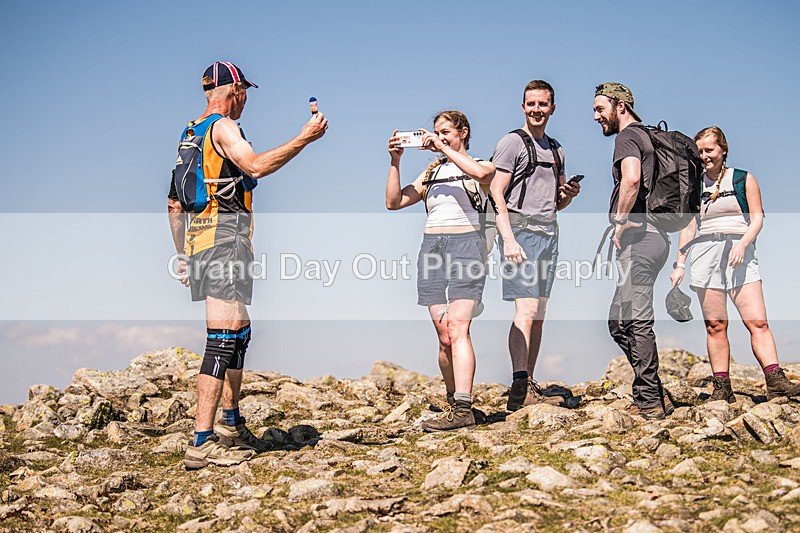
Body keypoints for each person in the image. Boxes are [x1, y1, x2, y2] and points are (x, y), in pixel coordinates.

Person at [168, 61, 327, 469]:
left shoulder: (191, 133)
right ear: (234, 89)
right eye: (246, 93)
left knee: (240, 330)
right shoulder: (223, 127)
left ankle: (230, 423)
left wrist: (183, 252)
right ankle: (201, 441)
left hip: (207, 240)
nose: (246, 102)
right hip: (223, 239)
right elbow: (255, 165)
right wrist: (304, 139)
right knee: (221, 337)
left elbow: (173, 203)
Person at [670, 126, 800, 402]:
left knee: (758, 321)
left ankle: (775, 380)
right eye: (700, 151)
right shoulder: (694, 186)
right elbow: (689, 226)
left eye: (709, 150)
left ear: (723, 149)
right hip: (705, 255)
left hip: (740, 255)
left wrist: (742, 243)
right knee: (715, 325)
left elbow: (757, 218)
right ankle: (722, 387)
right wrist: (680, 263)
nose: (704, 156)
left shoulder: (742, 179)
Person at [386, 111, 495, 431]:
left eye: (446, 131)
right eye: (436, 132)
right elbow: (394, 201)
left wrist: (445, 148)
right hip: (432, 249)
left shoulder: (480, 163)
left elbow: (483, 176)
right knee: (444, 335)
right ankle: (452, 402)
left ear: (463, 132)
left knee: (459, 328)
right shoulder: (431, 173)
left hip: (467, 247)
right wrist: (395, 161)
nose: (439, 137)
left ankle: (464, 407)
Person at [489, 80, 580, 411]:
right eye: (531, 104)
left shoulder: (557, 149)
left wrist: (567, 196)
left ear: (553, 108)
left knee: (539, 313)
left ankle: (528, 383)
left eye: (543, 104)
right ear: (523, 106)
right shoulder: (511, 143)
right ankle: (518, 387)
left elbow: (556, 202)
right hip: (521, 233)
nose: (537, 109)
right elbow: (496, 193)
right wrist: (509, 238)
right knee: (525, 309)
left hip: (549, 234)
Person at [593, 82, 672, 420]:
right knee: (618, 322)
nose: (596, 116)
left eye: (600, 109)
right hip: (657, 239)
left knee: (636, 320)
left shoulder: (627, 137)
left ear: (620, 106)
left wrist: (622, 221)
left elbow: (631, 179)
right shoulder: (649, 135)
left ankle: (650, 401)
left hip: (640, 240)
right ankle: (652, 389)